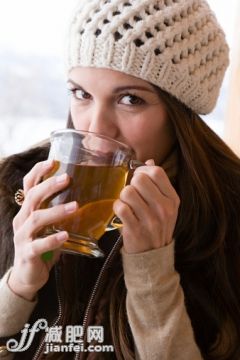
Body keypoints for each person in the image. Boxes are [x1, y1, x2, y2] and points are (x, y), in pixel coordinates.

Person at [0, 0, 240, 359]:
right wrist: (18, 285)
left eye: (130, 99)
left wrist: (152, 273)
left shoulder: (229, 214)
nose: (94, 129)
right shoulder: (12, 185)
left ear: (182, 114)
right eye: (81, 94)